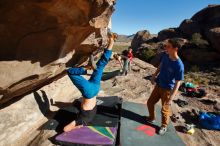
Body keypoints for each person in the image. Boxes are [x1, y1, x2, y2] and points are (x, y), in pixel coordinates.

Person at [64, 33, 117, 132]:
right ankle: (86, 69)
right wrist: (77, 125)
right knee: (70, 72)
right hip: (89, 92)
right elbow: (66, 129)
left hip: (96, 88)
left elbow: (67, 128)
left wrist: (80, 125)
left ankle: (111, 42)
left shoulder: (90, 118)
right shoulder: (81, 120)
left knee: (100, 66)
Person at [146, 39, 184, 135]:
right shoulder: (166, 56)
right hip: (159, 84)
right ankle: (151, 118)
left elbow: (177, 83)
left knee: (164, 109)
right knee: (150, 103)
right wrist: (154, 75)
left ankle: (164, 126)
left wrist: (171, 97)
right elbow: (161, 65)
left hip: (167, 89)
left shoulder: (179, 65)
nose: (165, 48)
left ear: (175, 49)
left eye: (168, 46)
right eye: (166, 46)